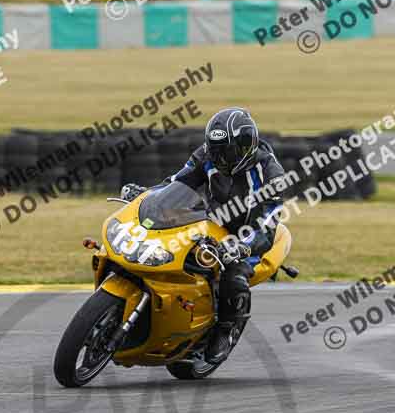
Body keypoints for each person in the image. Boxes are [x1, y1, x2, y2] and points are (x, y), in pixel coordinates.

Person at [120, 107, 285, 364]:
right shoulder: (208, 155)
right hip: (209, 222)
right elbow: (176, 183)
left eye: (225, 151)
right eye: (215, 149)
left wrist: (243, 247)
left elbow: (266, 225)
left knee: (233, 274)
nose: (218, 157)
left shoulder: (271, 175)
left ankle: (225, 329)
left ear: (244, 146)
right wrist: (146, 195)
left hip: (249, 234)